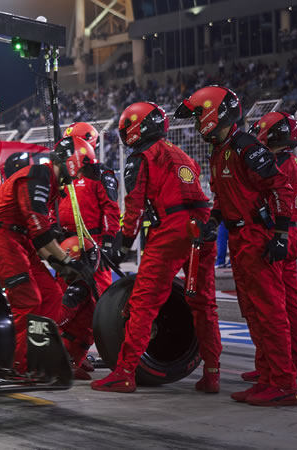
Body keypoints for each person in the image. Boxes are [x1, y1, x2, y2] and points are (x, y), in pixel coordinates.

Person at [175, 87, 297, 406]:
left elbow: (280, 187)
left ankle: (283, 384)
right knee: (254, 313)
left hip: (257, 238)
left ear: (215, 114)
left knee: (269, 312)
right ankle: (268, 378)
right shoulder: (221, 150)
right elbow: (222, 197)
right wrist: (212, 224)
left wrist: (280, 235)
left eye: (199, 114)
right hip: (240, 240)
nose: (197, 121)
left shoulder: (245, 146)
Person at [92, 101, 222, 394]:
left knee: (144, 302)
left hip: (172, 230)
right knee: (204, 305)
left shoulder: (141, 157)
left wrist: (122, 244)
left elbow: (134, 207)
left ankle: (125, 373)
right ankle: (212, 374)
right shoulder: (182, 155)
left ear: (135, 129)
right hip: (202, 227)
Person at [0, 136, 95, 372]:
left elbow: (39, 236)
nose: (79, 174)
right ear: (72, 161)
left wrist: (65, 266)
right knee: (27, 301)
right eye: (81, 166)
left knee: (52, 294)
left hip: (19, 239)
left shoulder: (49, 181)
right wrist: (66, 262)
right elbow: (40, 232)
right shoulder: (39, 175)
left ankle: (44, 357)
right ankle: (20, 366)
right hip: (4, 238)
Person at [245, 112, 297, 381]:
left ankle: (277, 367)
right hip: (290, 234)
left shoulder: (280, 164)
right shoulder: (296, 163)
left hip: (278, 234)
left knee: (275, 305)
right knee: (291, 302)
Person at [59, 122, 120, 295]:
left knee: (99, 292)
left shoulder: (99, 173)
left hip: (92, 243)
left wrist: (107, 243)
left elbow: (111, 209)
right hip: (66, 244)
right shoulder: (65, 176)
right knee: (64, 293)